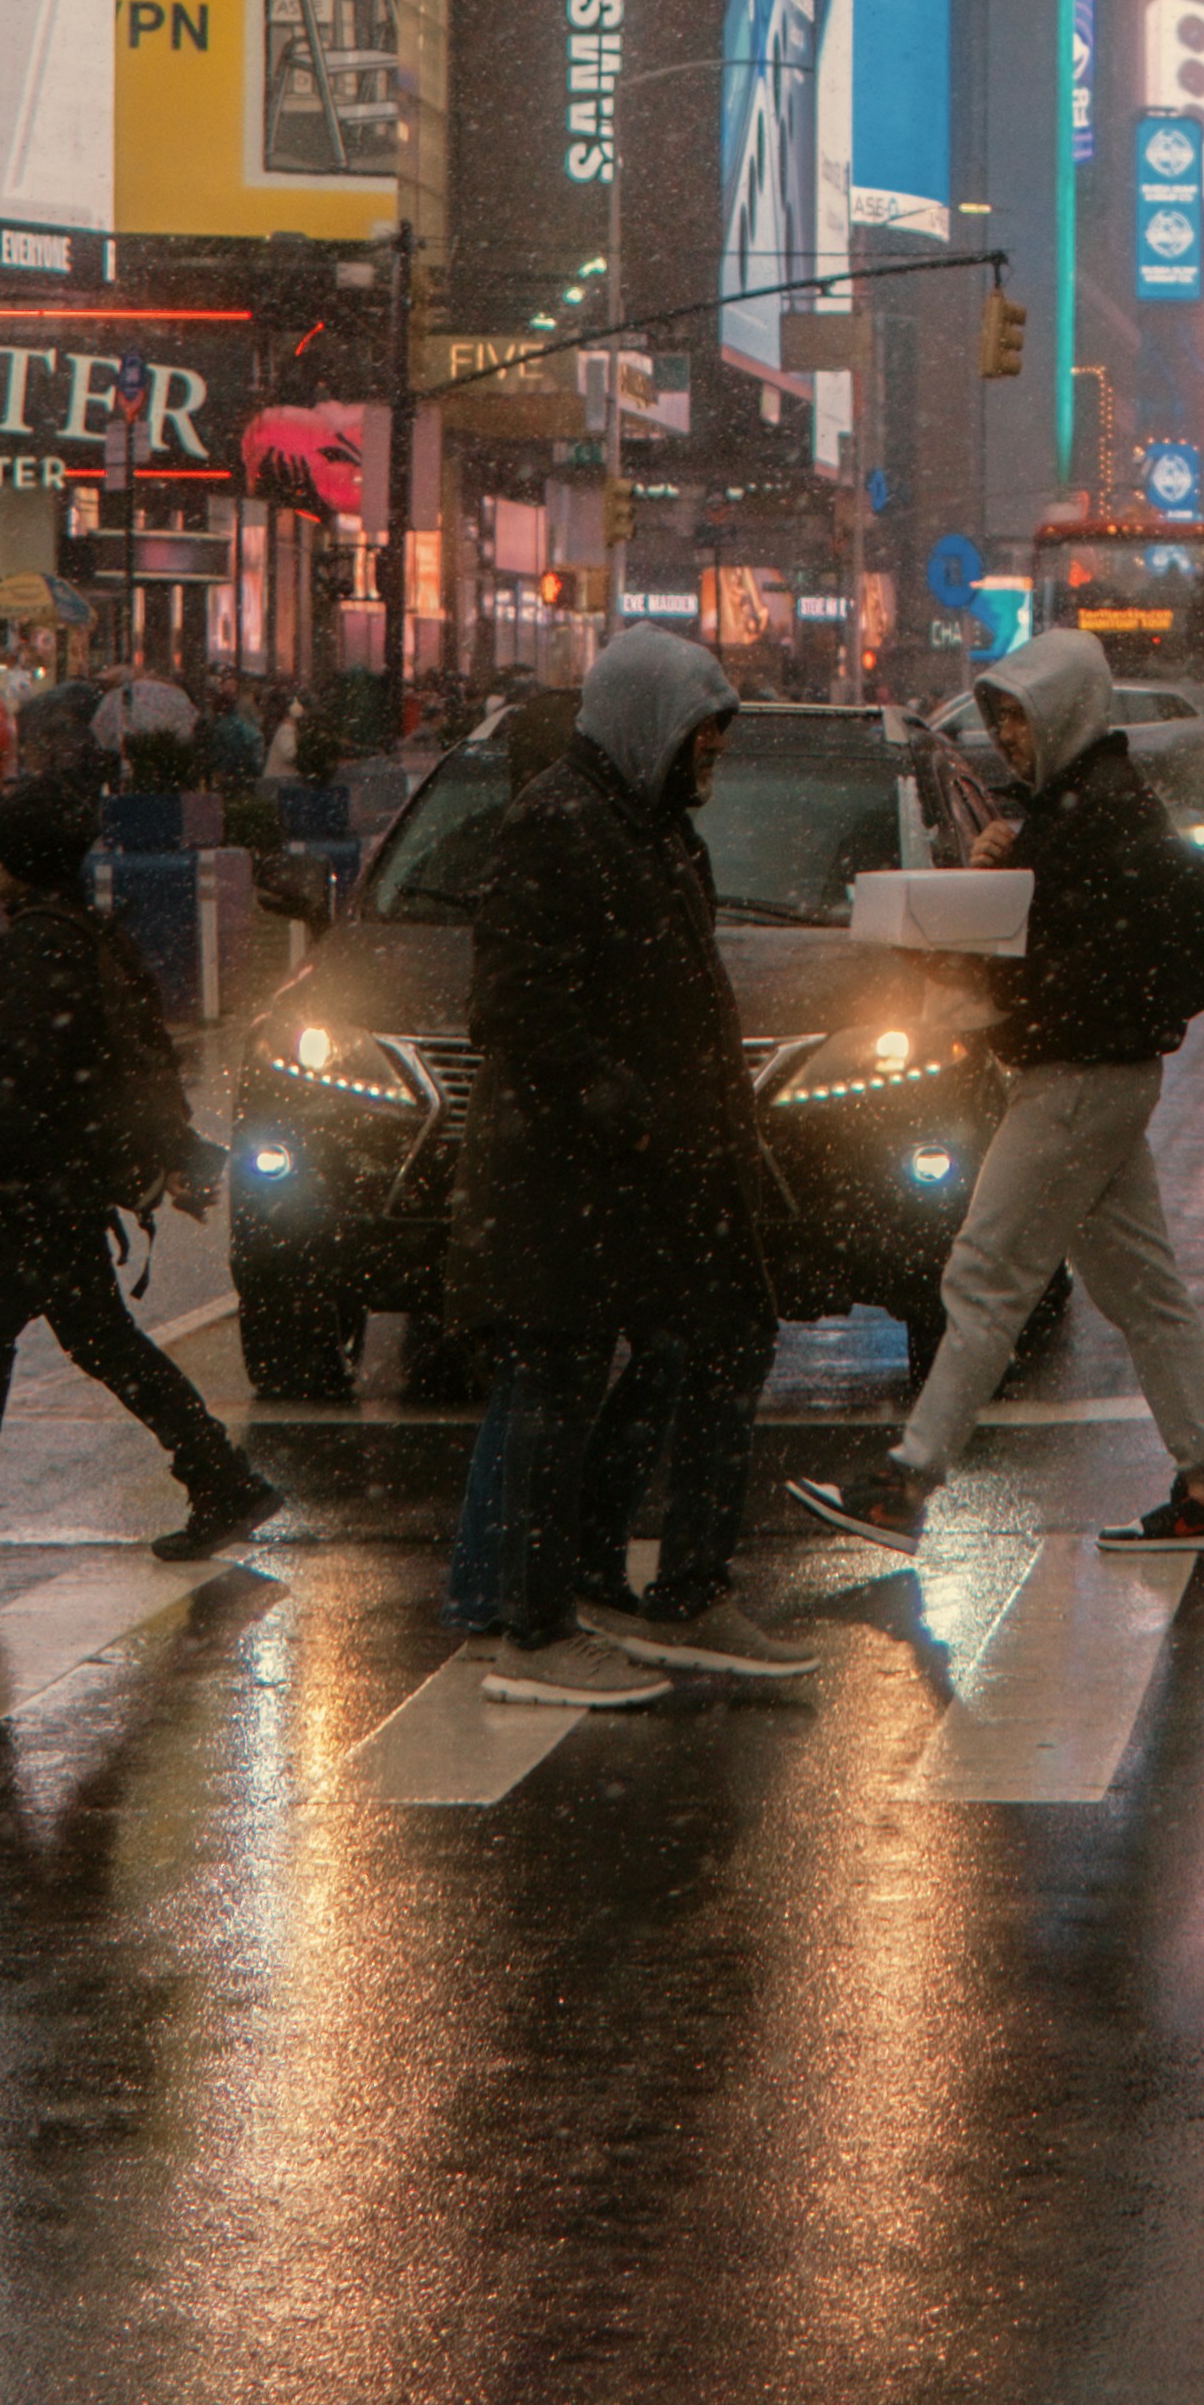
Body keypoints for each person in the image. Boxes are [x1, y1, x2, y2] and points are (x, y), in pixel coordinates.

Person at [785, 630, 1204, 1560]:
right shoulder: (1077, 808)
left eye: (1019, 717)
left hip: (1075, 1079)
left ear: (1066, 712)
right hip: (1096, 1075)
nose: (1007, 736)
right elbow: (1083, 943)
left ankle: (906, 1484)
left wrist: (1032, 971)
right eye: (998, 718)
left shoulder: (1095, 817)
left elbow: (1092, 959)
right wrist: (1004, 874)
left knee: (984, 1276)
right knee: (1142, 1289)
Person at [408, 628, 799, 1708]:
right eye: (698, 736)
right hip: (566, 1176)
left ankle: (675, 1587)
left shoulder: (654, 827)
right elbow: (517, 1009)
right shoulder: (559, 824)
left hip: (661, 1162)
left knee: (721, 1336)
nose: (709, 759)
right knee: (556, 1383)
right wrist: (623, 1101)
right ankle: (535, 1629)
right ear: (648, 724)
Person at [0, 773, 281, 1576]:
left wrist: (14, 1175)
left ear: (15, 861)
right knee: (9, 1336)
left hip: (39, 1189)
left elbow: (30, 1079)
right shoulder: (88, 934)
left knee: (60, 1341)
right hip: (59, 1185)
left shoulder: (32, 946)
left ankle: (218, 1478)